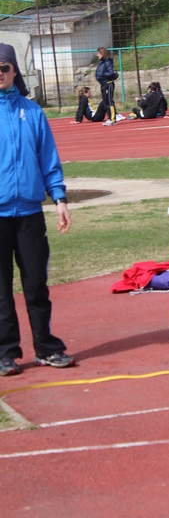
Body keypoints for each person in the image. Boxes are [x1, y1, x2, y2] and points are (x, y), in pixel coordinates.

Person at [0, 43, 75, 376]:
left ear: (15, 71)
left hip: (30, 214)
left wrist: (59, 199)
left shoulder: (33, 113)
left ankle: (45, 346)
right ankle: (5, 352)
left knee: (35, 285)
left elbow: (49, 161)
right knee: (0, 289)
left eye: (3, 67)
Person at [95, 47, 123, 126]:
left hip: (108, 84)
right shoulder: (101, 62)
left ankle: (113, 119)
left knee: (109, 101)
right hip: (103, 84)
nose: (97, 55)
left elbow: (111, 73)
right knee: (105, 102)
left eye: (99, 53)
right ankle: (110, 118)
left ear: (102, 54)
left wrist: (102, 75)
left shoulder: (107, 62)